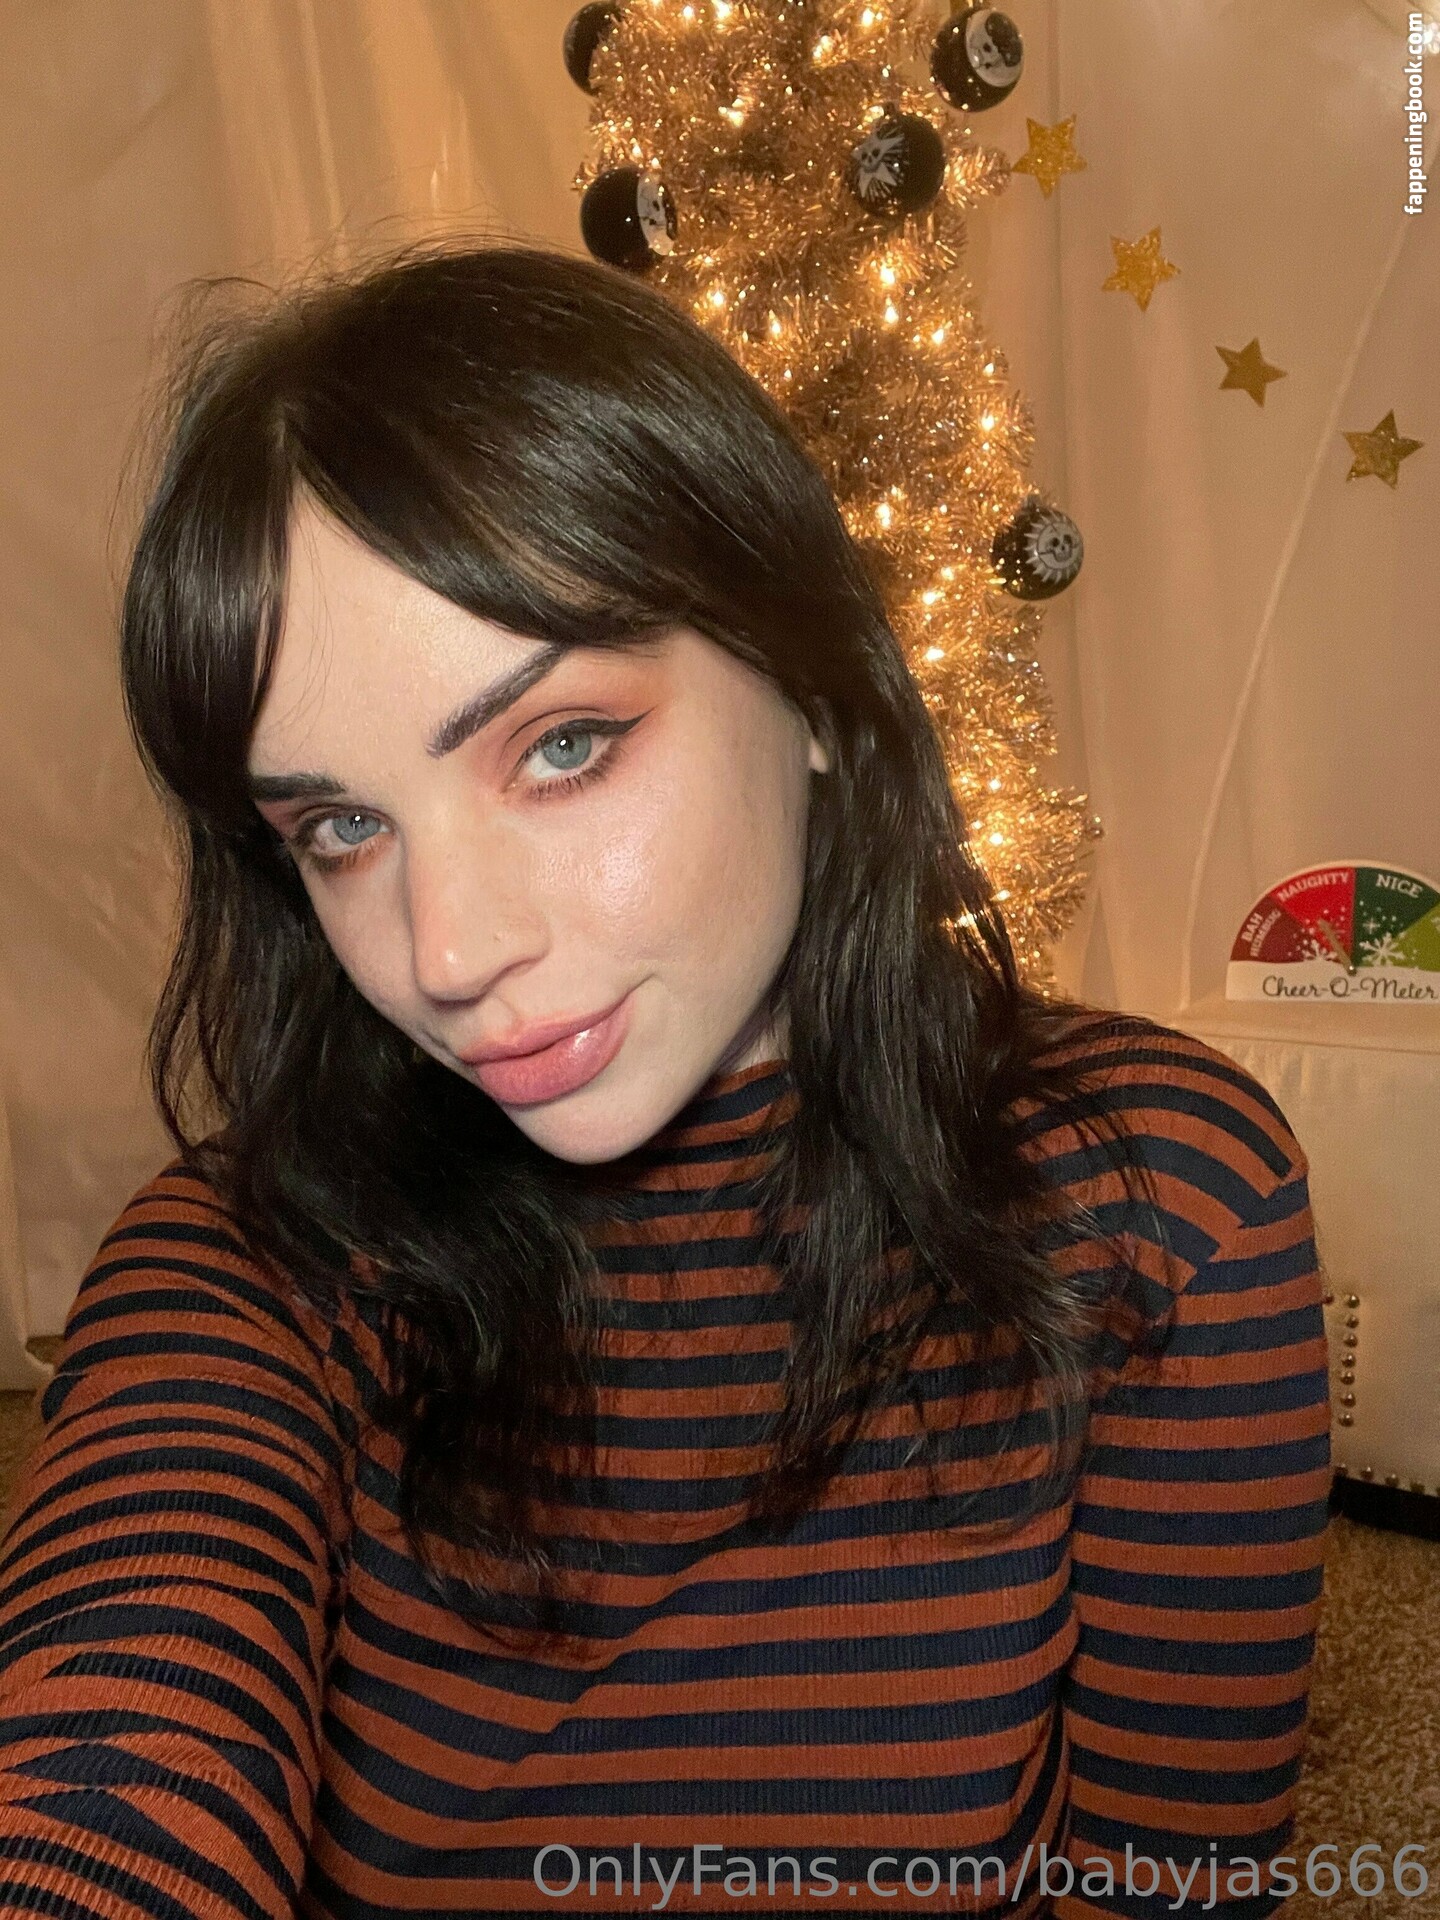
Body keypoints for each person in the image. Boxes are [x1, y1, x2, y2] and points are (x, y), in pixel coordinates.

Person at [0, 242, 1330, 1920]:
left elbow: (1170, 1883)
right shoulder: (246, 1257)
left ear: (815, 689)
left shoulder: (1158, 1193)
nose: (446, 949)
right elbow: (111, 1739)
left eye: (561, 747)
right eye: (340, 827)